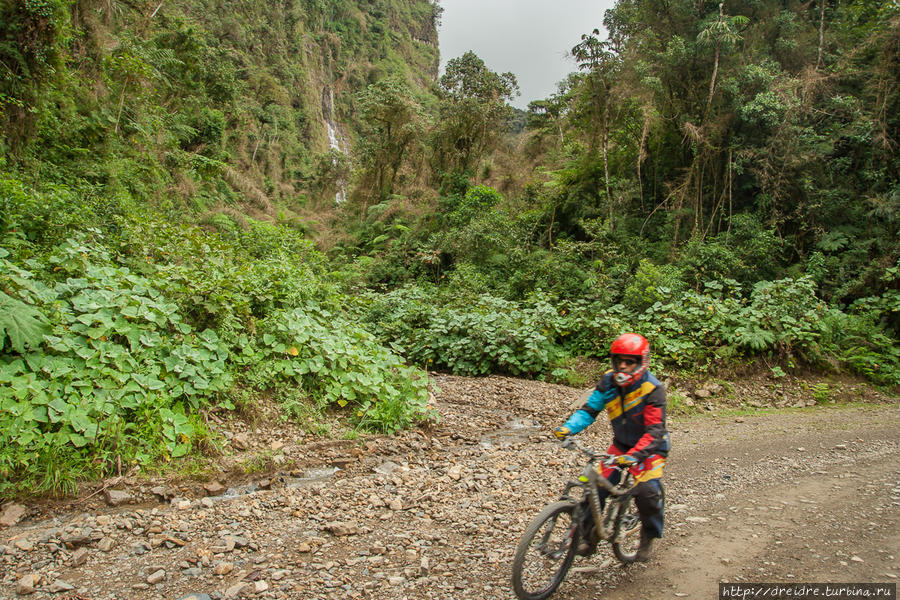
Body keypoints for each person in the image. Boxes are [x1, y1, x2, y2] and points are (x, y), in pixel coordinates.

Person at [554, 332, 670, 562]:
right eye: (619, 361)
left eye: (630, 362)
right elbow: (590, 410)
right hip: (620, 446)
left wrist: (635, 455)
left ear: (641, 362)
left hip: (650, 449)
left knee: (647, 494)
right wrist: (568, 428)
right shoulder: (608, 381)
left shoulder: (652, 389)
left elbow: (655, 431)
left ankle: (648, 536)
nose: (623, 366)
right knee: (594, 489)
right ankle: (588, 539)